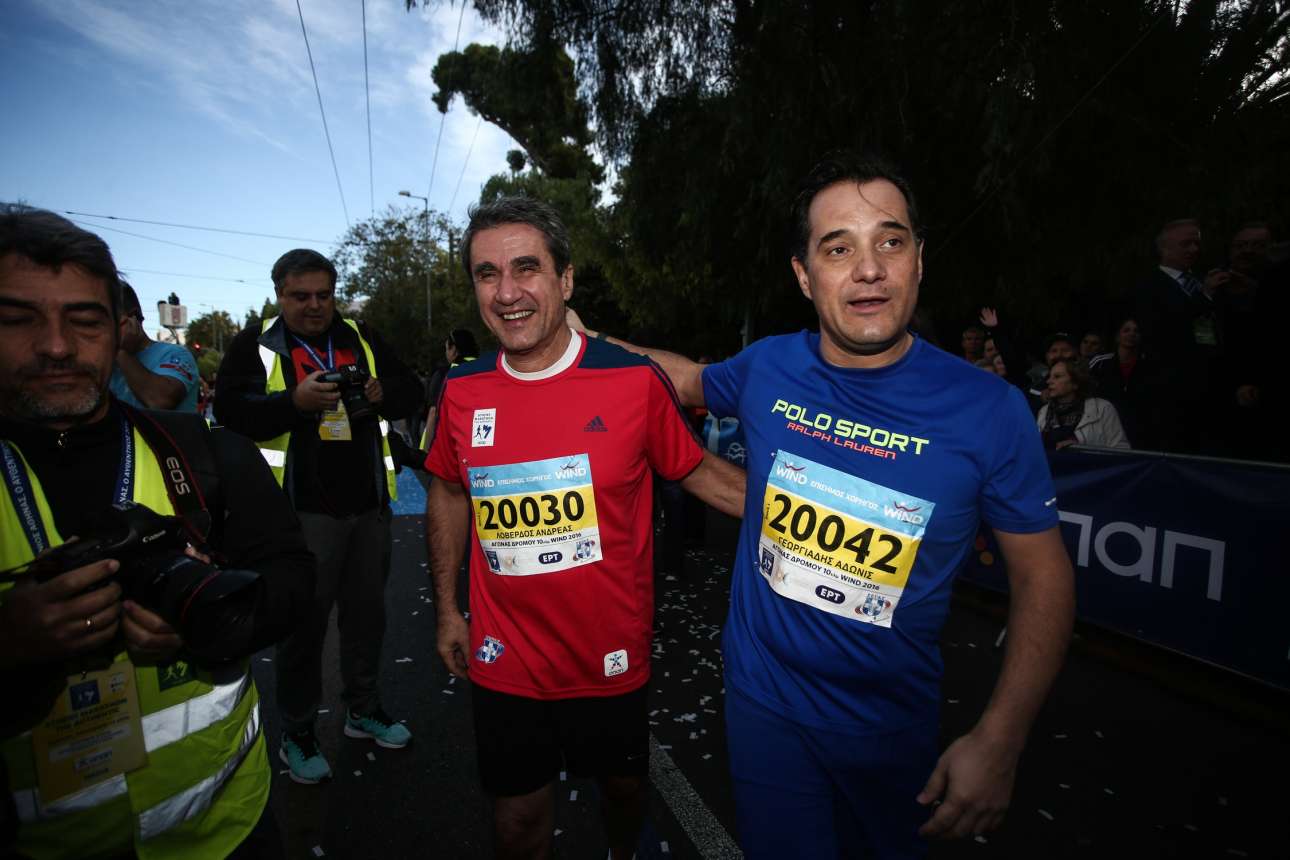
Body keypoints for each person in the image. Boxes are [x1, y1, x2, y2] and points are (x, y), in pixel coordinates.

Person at [571, 152, 1075, 856]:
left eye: (889, 242)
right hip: (763, 709)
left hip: (892, 731)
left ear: (919, 260)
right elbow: (682, 378)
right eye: (838, 249)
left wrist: (1001, 738)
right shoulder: (770, 365)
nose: (868, 269)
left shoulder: (990, 411)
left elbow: (1044, 576)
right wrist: (580, 339)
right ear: (805, 276)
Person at [424, 197, 744, 860]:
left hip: (609, 655)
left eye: (526, 268)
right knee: (517, 822)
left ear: (565, 280)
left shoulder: (632, 381)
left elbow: (699, 473)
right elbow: (449, 491)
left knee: (624, 792)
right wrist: (448, 611)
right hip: (506, 656)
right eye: (487, 274)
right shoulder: (460, 390)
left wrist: (824, 508)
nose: (507, 293)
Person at [0, 208, 314, 859]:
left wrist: (212, 621)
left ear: (118, 329)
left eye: (84, 320)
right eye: (18, 319)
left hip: (227, 828)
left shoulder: (205, 454)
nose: (56, 346)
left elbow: (293, 581)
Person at [214, 248, 423, 784]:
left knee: (367, 618)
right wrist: (293, 403)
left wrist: (383, 391)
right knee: (303, 627)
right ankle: (299, 731)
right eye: (300, 296)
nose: (314, 306)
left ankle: (363, 708)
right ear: (278, 295)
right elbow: (230, 413)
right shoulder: (255, 344)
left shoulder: (361, 336)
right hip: (298, 515)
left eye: (323, 295)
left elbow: (412, 391)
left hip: (369, 507)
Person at [109, 282, 200, 412]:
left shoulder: (175, 354)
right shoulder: (105, 362)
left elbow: (160, 400)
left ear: (132, 318)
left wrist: (121, 351)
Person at [1036, 357, 1130, 450]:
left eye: (1057, 377)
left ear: (1075, 383)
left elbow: (1121, 449)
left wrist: (1081, 448)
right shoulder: (1044, 411)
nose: (1049, 381)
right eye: (1049, 377)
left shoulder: (1102, 408)